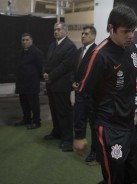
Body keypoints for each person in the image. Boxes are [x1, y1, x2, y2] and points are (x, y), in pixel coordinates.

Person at [73, 4, 137, 184]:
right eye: (126, 31)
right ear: (111, 28)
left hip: (129, 125)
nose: (131, 36)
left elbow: (130, 86)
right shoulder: (99, 56)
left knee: (133, 173)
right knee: (114, 178)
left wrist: (134, 112)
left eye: (133, 30)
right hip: (109, 128)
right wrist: (79, 135)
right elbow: (82, 95)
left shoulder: (132, 49)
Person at [43, 22, 78, 152]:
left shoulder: (70, 47)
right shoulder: (53, 44)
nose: (56, 32)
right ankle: (57, 132)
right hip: (52, 84)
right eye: (54, 29)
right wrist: (45, 73)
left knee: (64, 112)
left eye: (58, 29)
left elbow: (65, 66)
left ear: (65, 31)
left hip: (62, 84)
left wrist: (50, 75)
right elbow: (47, 61)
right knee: (54, 111)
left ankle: (68, 139)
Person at [73, 25, 99, 165]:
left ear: (93, 36)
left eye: (86, 33)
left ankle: (95, 153)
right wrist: (74, 83)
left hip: (92, 97)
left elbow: (94, 75)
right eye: (82, 33)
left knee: (94, 126)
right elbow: (76, 71)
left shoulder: (96, 52)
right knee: (80, 120)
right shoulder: (79, 51)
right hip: (79, 93)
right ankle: (80, 141)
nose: (83, 35)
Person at [15, 33, 44, 129]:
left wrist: (41, 80)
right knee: (23, 102)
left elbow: (41, 67)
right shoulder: (20, 52)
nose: (24, 42)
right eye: (23, 40)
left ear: (31, 41)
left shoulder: (37, 52)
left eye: (27, 40)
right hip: (21, 83)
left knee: (34, 104)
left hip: (32, 83)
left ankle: (36, 122)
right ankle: (26, 119)